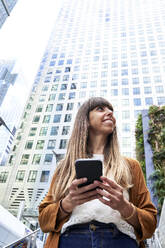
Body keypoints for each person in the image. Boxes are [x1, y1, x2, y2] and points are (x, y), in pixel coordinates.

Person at [38, 97, 157, 248]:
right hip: (70, 240)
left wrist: (124, 207)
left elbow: (151, 223)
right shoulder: (65, 167)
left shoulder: (130, 166)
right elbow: (43, 220)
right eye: (100, 109)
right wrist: (67, 203)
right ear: (85, 120)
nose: (110, 113)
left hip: (120, 241)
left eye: (111, 111)